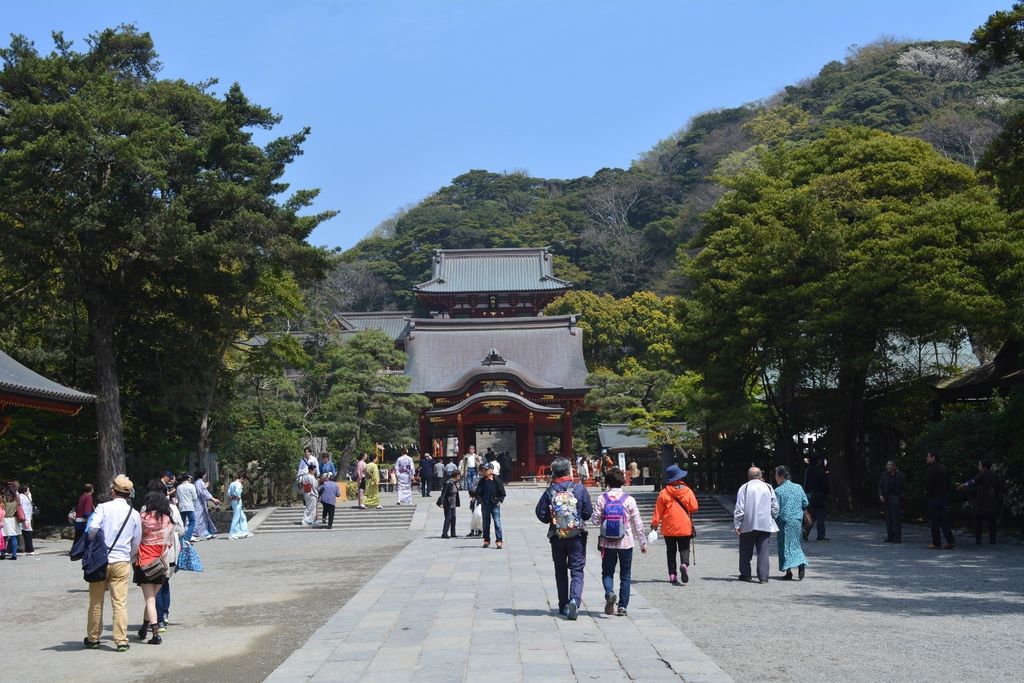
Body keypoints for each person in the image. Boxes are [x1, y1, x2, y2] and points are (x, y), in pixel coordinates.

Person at [84, 475, 142, 652]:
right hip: (121, 560)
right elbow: (137, 540)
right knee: (120, 602)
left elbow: (92, 528)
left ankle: (93, 638)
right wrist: (129, 556)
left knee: (96, 601)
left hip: (100, 560)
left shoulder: (103, 507)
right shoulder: (134, 514)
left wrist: (95, 543)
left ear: (113, 491)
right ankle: (121, 640)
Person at [535, 457, 592, 620]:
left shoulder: (550, 491)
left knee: (560, 570)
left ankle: (563, 604)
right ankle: (574, 599)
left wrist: (553, 519)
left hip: (557, 536)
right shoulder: (579, 489)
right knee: (577, 570)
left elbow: (541, 514)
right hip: (577, 535)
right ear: (569, 471)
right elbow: (587, 513)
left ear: (554, 472)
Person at [592, 467, 646, 617]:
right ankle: (622, 607)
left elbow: (595, 520)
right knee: (625, 575)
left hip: (607, 543)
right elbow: (637, 523)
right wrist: (642, 542)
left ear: (608, 482)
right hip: (626, 542)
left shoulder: (602, 498)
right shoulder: (629, 500)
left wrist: (604, 518)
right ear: (622, 481)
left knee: (608, 572)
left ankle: (609, 593)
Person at [134, 490, 174, 645]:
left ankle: (155, 634)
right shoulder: (166, 520)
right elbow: (169, 543)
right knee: (151, 598)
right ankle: (144, 628)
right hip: (160, 564)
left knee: (149, 600)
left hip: (144, 562)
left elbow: (135, 537)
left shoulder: (143, 518)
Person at [650, 464, 698, 585]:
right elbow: (694, 507)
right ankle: (684, 564)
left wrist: (654, 525)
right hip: (684, 525)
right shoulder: (687, 491)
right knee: (684, 548)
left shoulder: (664, 492)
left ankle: (672, 575)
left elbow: (658, 511)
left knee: (670, 551)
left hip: (668, 526)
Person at [734, 467, 779, 583]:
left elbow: (740, 508)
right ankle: (763, 577)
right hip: (765, 524)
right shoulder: (768, 487)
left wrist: (737, 523)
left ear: (748, 476)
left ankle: (745, 574)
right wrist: (773, 516)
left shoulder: (745, 487)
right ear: (760, 475)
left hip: (748, 523)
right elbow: (775, 506)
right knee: (763, 551)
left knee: (745, 550)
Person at [772, 466, 809, 581]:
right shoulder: (798, 487)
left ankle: (788, 571)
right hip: (796, 521)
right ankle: (800, 563)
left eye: (776, 475)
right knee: (795, 543)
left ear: (782, 476)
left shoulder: (778, 490)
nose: (775, 478)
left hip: (783, 521)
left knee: (784, 546)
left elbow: (775, 508)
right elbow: (805, 502)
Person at [958, 460, 1001, 544]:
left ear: (983, 466)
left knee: (978, 521)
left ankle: (978, 539)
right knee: (992, 521)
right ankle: (992, 539)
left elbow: (973, 481)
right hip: (992, 502)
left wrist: (963, 485)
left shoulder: (983, 473)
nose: (978, 466)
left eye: (979, 464)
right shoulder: (994, 474)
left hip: (982, 502)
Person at [925, 451, 955, 550]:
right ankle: (950, 541)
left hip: (934, 497)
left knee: (934, 521)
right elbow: (948, 483)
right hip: (944, 497)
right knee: (944, 520)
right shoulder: (944, 468)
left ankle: (936, 542)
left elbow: (929, 484)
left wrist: (926, 491)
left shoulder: (931, 469)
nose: (927, 458)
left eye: (928, 456)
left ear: (933, 458)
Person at [473, 461, 506, 549]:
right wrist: (481, 501)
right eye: (483, 470)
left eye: (486, 470)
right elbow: (478, 494)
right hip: (485, 505)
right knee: (486, 524)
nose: (483, 471)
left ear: (491, 470)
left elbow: (502, 493)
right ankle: (486, 540)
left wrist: (499, 500)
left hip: (495, 505)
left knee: (497, 523)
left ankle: (499, 541)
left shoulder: (497, 481)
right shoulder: (482, 481)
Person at [802, 456, 830, 542]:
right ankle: (821, 536)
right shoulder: (820, 471)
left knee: (812, 514)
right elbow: (825, 483)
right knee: (820, 515)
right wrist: (827, 492)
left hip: (811, 494)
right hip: (820, 494)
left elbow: (806, 483)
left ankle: (807, 530)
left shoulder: (809, 470)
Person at [878, 460, 906, 543]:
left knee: (896, 518)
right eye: (887, 465)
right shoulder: (884, 475)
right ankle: (890, 536)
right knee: (888, 518)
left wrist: (900, 498)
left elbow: (904, 488)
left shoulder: (901, 476)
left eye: (889, 465)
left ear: (894, 466)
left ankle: (897, 538)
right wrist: (880, 495)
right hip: (887, 498)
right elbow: (880, 486)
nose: (888, 467)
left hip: (896, 497)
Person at [192, 470, 220, 540]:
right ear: (203, 475)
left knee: (203, 518)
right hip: (199, 503)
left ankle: (207, 533)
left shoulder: (198, 482)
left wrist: (205, 486)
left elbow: (202, 491)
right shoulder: (199, 482)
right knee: (198, 517)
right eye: (205, 474)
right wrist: (213, 499)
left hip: (200, 502)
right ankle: (193, 533)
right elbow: (203, 493)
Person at [228, 472, 253, 539]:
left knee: (242, 517)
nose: (244, 481)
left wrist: (233, 497)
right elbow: (237, 493)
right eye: (244, 480)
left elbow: (229, 494)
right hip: (237, 502)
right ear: (242, 478)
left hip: (233, 502)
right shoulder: (239, 484)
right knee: (236, 517)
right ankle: (233, 534)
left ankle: (244, 532)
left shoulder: (232, 483)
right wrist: (237, 497)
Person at [175, 473, 197, 543]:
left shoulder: (179, 487)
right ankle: (187, 538)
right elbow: (195, 497)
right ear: (188, 478)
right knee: (192, 522)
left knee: (182, 523)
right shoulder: (191, 486)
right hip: (189, 506)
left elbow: (177, 498)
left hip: (181, 506)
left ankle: (181, 538)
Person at [440, 470, 462, 538]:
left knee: (453, 518)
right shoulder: (448, 482)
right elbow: (444, 493)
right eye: (459, 476)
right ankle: (444, 533)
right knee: (448, 518)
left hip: (453, 503)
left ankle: (453, 533)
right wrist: (441, 502)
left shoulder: (454, 482)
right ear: (457, 475)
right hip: (448, 503)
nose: (459, 477)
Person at [1, 483, 20, 560]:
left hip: (4, 519)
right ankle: (14, 554)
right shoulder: (16, 499)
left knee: (3, 538)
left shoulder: (3, 499)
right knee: (13, 537)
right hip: (13, 519)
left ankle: (2, 553)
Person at [17, 483, 35, 555]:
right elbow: (25, 510)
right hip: (25, 518)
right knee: (28, 533)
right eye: (28, 490)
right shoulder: (23, 498)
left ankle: (27, 549)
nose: (29, 492)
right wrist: (26, 520)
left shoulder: (21, 497)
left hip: (24, 518)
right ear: (24, 491)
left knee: (24, 533)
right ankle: (30, 549)